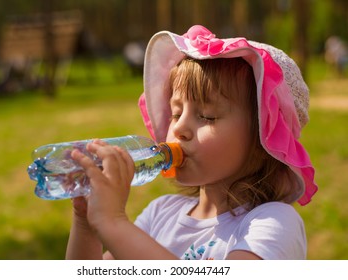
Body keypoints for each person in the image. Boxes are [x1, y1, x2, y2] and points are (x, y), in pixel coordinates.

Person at [65, 25, 318, 260]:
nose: (179, 128)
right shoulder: (159, 214)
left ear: (263, 142)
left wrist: (113, 223)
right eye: (176, 113)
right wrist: (87, 224)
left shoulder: (273, 222)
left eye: (207, 116)